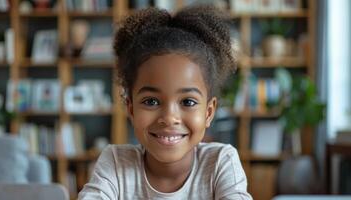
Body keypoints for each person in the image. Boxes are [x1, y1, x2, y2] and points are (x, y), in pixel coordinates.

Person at [79, 5, 252, 200]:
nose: (169, 118)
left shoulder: (220, 162)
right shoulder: (116, 162)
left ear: (209, 112)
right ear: (131, 109)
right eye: (151, 101)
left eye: (187, 101)